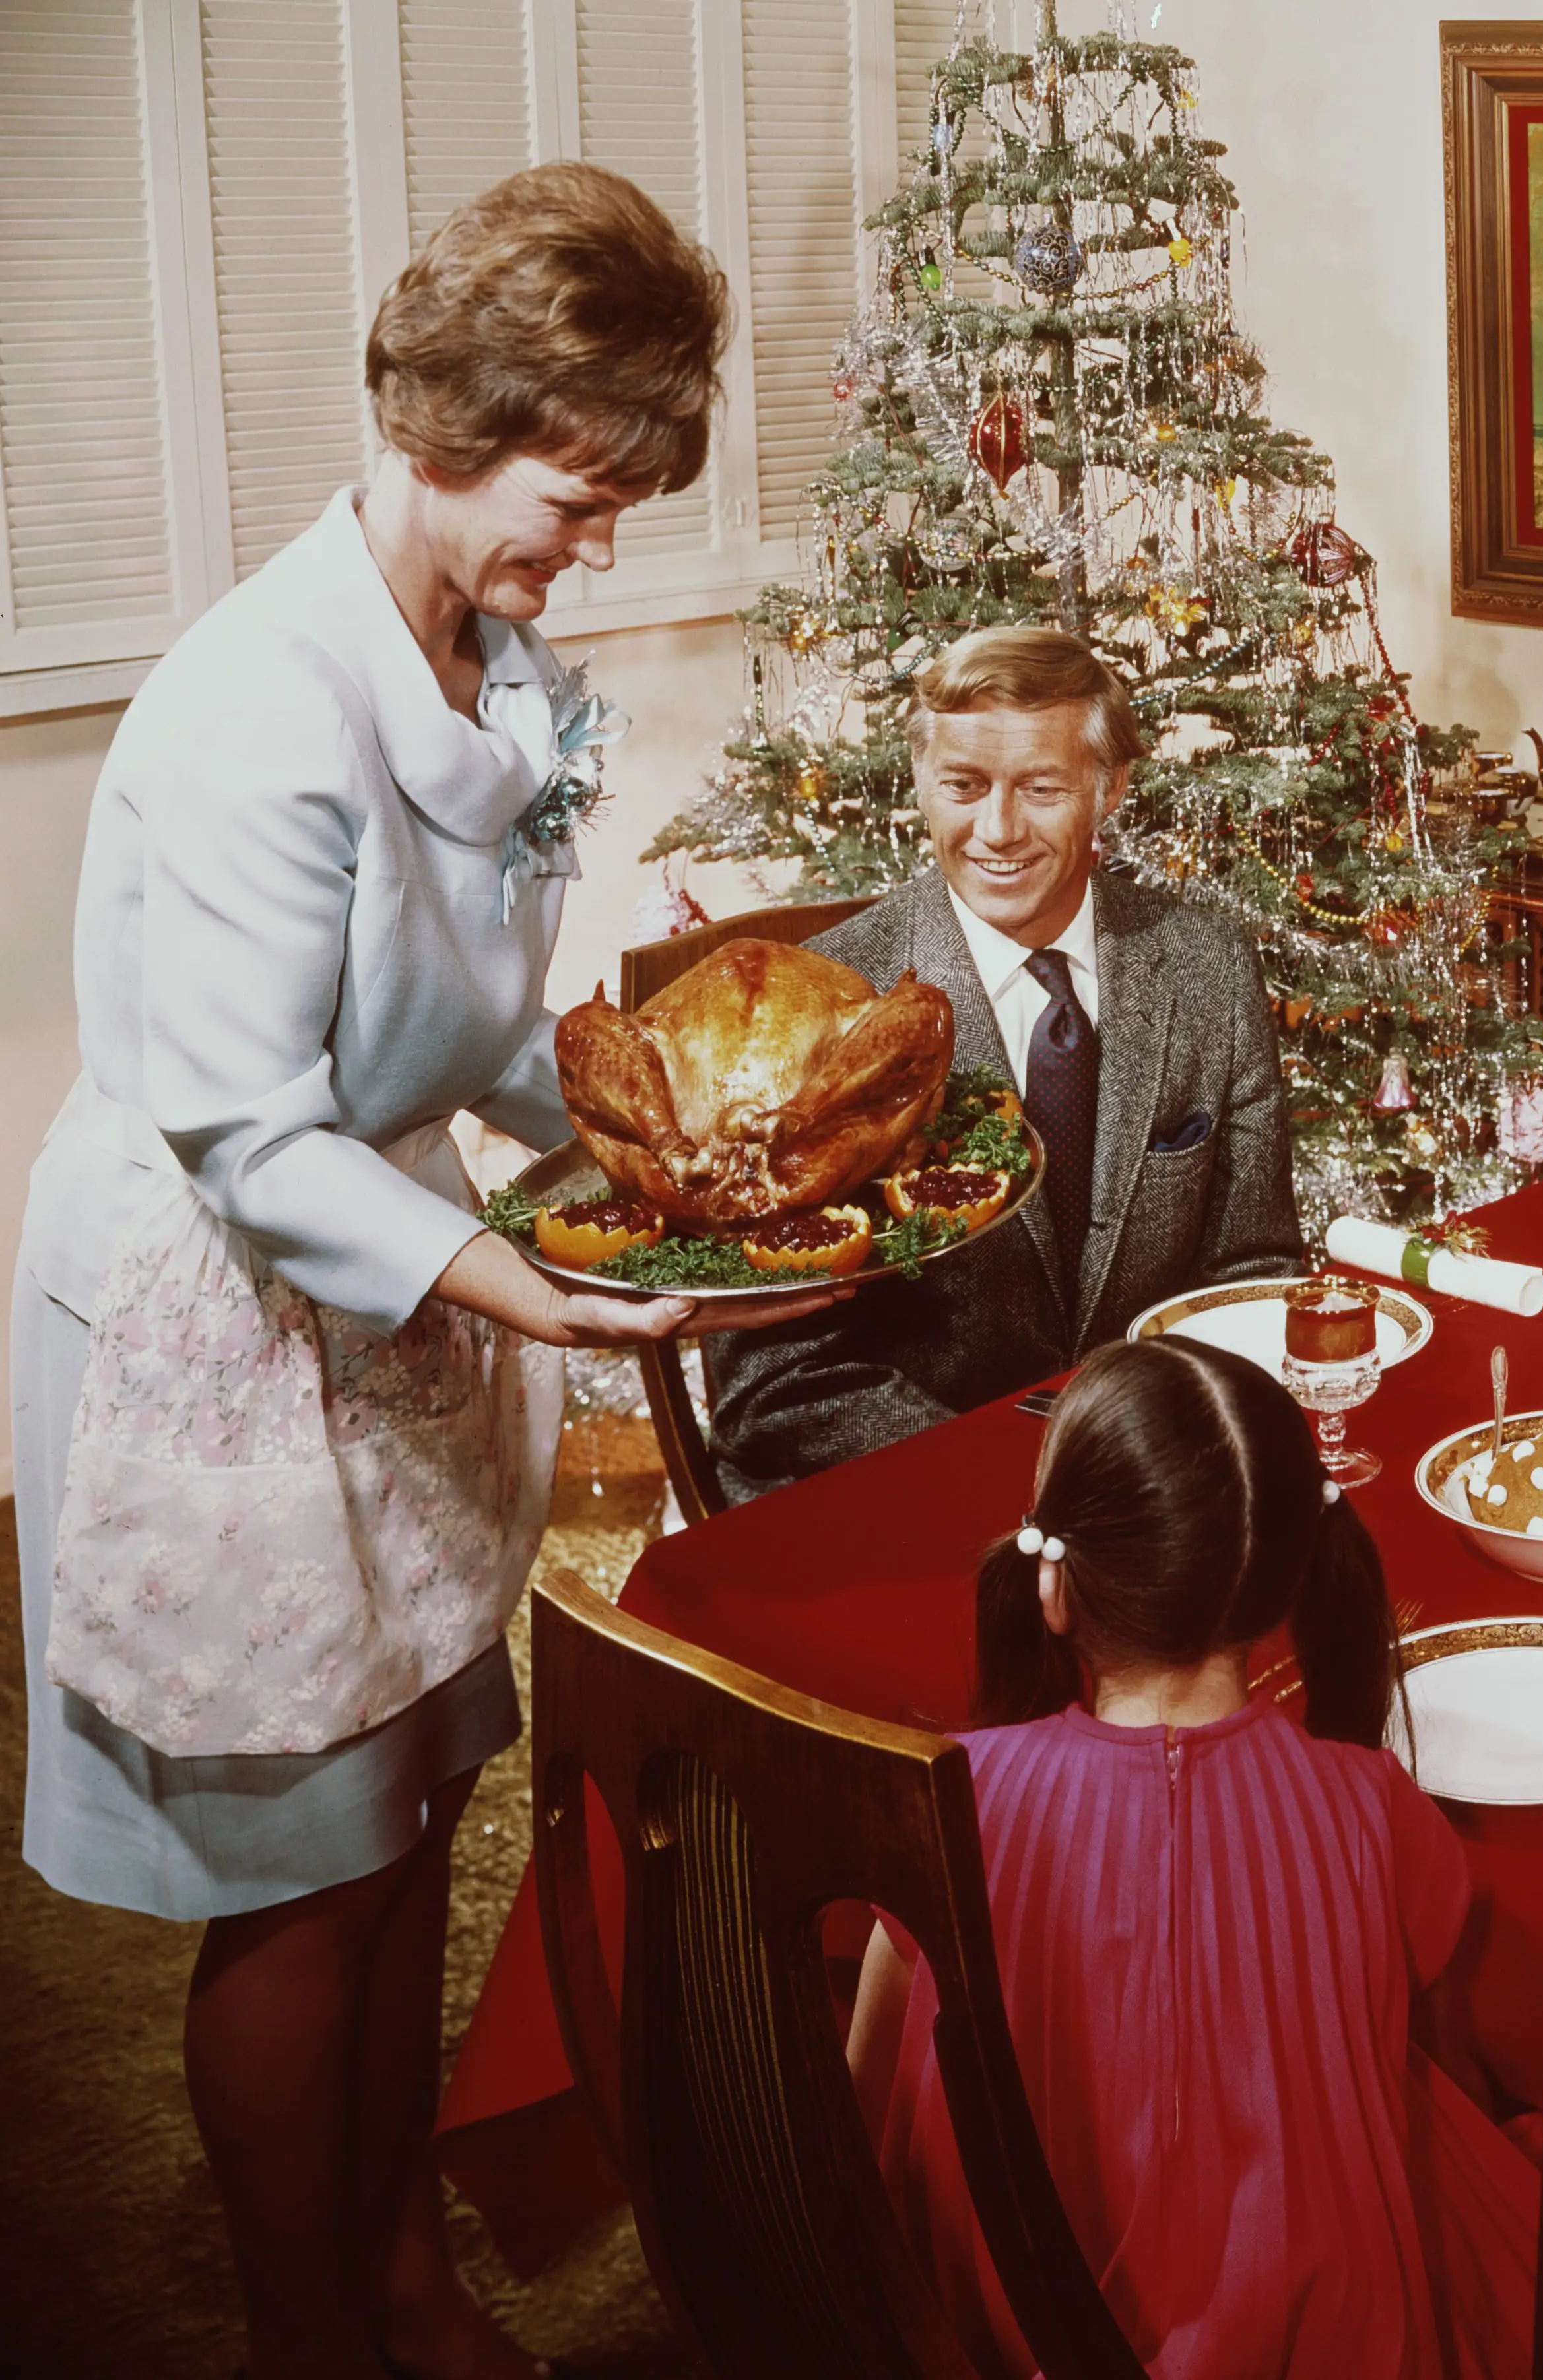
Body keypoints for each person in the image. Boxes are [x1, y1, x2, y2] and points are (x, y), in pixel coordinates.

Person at [13, 165, 831, 2380]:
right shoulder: (259, 704)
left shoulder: (499, 662)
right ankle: (312, 2327)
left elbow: (483, 1036)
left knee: (417, 1796)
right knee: (306, 1866)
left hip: (400, 1274)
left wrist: (673, 1182)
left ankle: (396, 2268)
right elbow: (251, 1127)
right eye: (582, 489)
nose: (599, 540)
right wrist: (543, 1289)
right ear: (449, 425)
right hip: (227, 1297)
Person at [843, 1337, 1543, 2380]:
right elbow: (1431, 2079)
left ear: (1053, 1585)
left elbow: (867, 2119)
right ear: (1280, 1592)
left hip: (1003, 2330)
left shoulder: (943, 1792)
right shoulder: (1374, 1806)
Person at [709, 626, 1301, 1501]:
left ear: (1110, 789)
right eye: (964, 785)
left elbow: (1254, 1269)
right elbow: (773, 1386)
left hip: (1148, 1486)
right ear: (920, 783)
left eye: (1041, 787)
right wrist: (1021, 1475)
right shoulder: (815, 1009)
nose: (997, 830)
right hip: (891, 1497)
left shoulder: (1206, 963)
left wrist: (1142, 1453)